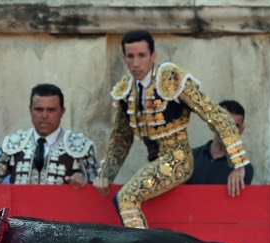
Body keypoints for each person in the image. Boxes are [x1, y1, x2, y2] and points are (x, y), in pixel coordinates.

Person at [93, 30, 250, 229]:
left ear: (153, 56)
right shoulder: (126, 90)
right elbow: (121, 139)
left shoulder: (172, 79)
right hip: (155, 163)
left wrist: (238, 163)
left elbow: (215, 115)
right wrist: (106, 174)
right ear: (124, 57)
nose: (136, 63)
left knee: (127, 197)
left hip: (178, 160)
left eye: (142, 55)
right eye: (130, 56)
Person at [0, 83, 97, 190]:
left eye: (51, 110)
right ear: (30, 110)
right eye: (38, 109)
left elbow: (94, 186)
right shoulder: (15, 144)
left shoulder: (80, 147)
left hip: (63, 228)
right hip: (22, 227)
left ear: (62, 111)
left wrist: (84, 183)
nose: (44, 116)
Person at [186, 100, 255, 185]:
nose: (229, 130)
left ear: (241, 130)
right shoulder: (189, 158)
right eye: (224, 123)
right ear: (214, 124)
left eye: (236, 125)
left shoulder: (244, 169)